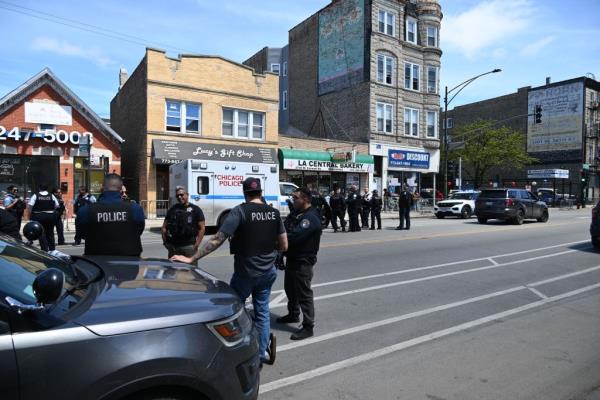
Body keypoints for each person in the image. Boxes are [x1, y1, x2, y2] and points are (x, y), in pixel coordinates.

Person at [170, 177, 288, 365]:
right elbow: (284, 244)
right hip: (267, 272)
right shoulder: (274, 213)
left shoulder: (239, 211)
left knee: (234, 310)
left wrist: (192, 258)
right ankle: (260, 353)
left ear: (244, 192)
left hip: (246, 273)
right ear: (261, 192)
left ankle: (237, 348)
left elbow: (217, 239)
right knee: (263, 311)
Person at [277, 187, 322, 340]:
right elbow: (285, 229)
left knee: (304, 294)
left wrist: (277, 242)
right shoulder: (296, 214)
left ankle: (308, 326)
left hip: (303, 261)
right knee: (290, 289)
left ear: (305, 200)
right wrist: (281, 254)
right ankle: (293, 314)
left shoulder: (311, 217)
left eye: (296, 197)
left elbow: (293, 237)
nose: (293, 200)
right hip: (292, 258)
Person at [76, 174, 145, 257]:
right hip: (129, 261)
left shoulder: (85, 210)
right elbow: (138, 230)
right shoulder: (135, 208)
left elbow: (81, 234)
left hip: (96, 263)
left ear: (102, 188)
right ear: (121, 189)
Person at [162, 186, 206, 264]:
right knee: (173, 272)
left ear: (187, 194)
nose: (179, 197)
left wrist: (197, 244)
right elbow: (164, 227)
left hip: (189, 247)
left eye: (181, 195)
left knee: (190, 273)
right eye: (177, 196)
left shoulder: (196, 210)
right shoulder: (173, 209)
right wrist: (165, 242)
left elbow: (202, 228)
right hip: (174, 247)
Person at [24, 183, 59, 251]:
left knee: (41, 233)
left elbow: (30, 206)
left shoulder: (36, 195)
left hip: (39, 216)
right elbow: (57, 205)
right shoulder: (51, 195)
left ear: (39, 188)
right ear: (46, 189)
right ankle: (52, 249)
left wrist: (30, 214)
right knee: (50, 233)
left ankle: (44, 249)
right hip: (50, 216)